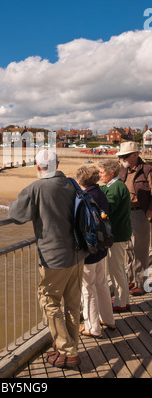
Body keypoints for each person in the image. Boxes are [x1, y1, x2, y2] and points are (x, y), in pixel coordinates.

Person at [8, 148, 88, 369]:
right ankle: (69, 345)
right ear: (58, 164)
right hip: (78, 252)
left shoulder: (37, 187)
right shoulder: (71, 183)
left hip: (54, 256)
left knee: (49, 301)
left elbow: (15, 214)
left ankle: (68, 351)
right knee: (72, 303)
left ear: (37, 167)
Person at [76, 166, 115, 338]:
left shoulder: (85, 197)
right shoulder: (101, 194)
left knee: (88, 288)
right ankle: (108, 319)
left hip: (89, 249)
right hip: (101, 246)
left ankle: (92, 328)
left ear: (80, 181)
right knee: (101, 283)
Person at [117, 141, 152, 296]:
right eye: (121, 156)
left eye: (125, 156)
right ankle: (132, 280)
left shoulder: (147, 170)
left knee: (140, 251)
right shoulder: (122, 170)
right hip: (126, 213)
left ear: (136, 155)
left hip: (141, 213)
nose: (122, 158)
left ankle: (142, 284)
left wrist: (150, 211)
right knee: (130, 249)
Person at [98, 159, 132, 312]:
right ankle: (122, 298)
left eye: (102, 172)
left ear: (111, 173)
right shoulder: (114, 185)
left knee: (116, 269)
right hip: (119, 233)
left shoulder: (117, 187)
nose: (100, 175)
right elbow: (104, 191)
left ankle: (121, 302)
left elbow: (108, 207)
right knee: (116, 268)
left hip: (117, 234)